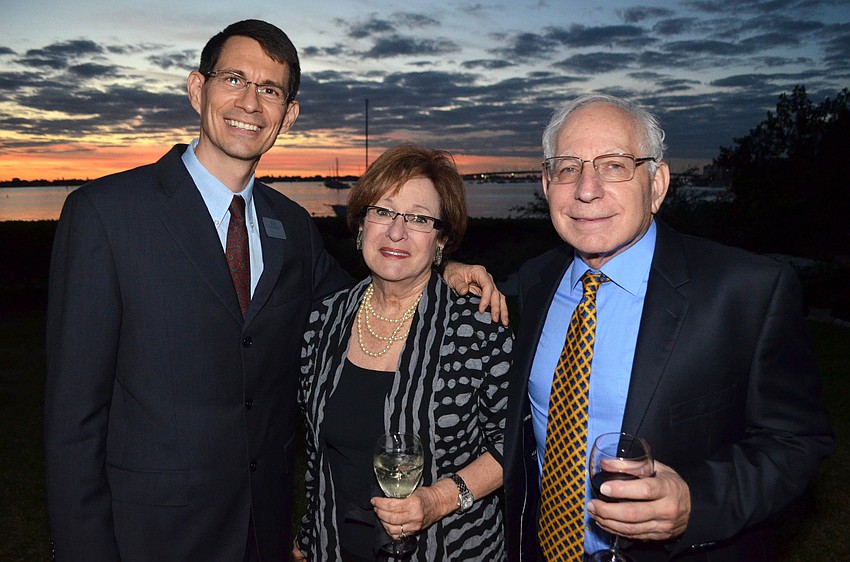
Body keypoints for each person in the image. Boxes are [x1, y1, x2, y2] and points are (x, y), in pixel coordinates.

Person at [44, 21, 506, 562]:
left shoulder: (291, 226)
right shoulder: (106, 214)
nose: (249, 102)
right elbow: (72, 418)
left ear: (288, 115)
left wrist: (443, 270)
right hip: (149, 534)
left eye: (270, 90)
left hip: (263, 531)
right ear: (198, 89)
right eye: (234, 78)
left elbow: (367, 298)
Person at [502, 93, 833, 561]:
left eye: (614, 165)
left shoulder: (748, 290)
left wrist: (696, 502)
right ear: (546, 182)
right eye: (568, 167)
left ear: (656, 184)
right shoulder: (536, 280)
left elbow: (796, 442)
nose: (587, 188)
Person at [293, 143, 513, 562]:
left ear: (442, 240)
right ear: (360, 225)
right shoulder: (323, 320)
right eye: (383, 211)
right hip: (335, 548)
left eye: (418, 218)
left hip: (448, 550)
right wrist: (308, 537)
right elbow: (317, 451)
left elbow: (515, 444)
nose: (397, 232)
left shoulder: (477, 327)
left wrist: (440, 500)